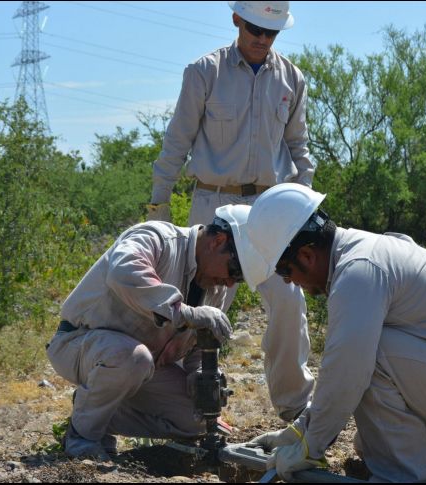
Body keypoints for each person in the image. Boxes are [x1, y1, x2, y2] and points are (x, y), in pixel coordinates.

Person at [230, 184, 426, 482]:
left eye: (285, 271)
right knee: (372, 443)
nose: (288, 283)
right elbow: (343, 376)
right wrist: (300, 431)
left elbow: (347, 369)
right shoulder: (360, 254)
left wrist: (311, 445)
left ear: (307, 256)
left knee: (369, 359)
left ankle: (401, 478)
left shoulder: (358, 270)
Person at [146, 1, 314, 422]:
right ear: (237, 19)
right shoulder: (204, 72)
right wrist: (158, 205)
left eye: (271, 32)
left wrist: (303, 202)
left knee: (289, 300)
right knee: (201, 307)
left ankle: (297, 409)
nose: (262, 38)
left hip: (270, 208)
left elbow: (300, 147)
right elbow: (176, 141)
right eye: (255, 27)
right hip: (213, 205)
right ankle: (189, 406)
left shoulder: (292, 78)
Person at [46, 208, 249, 460]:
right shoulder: (158, 237)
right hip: (80, 344)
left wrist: (200, 375)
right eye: (235, 270)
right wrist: (184, 312)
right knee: (131, 358)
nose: (231, 283)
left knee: (197, 418)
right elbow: (122, 272)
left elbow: (197, 345)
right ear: (218, 241)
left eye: (238, 278)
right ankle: (82, 436)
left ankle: (98, 412)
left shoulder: (215, 287)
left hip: (144, 365)